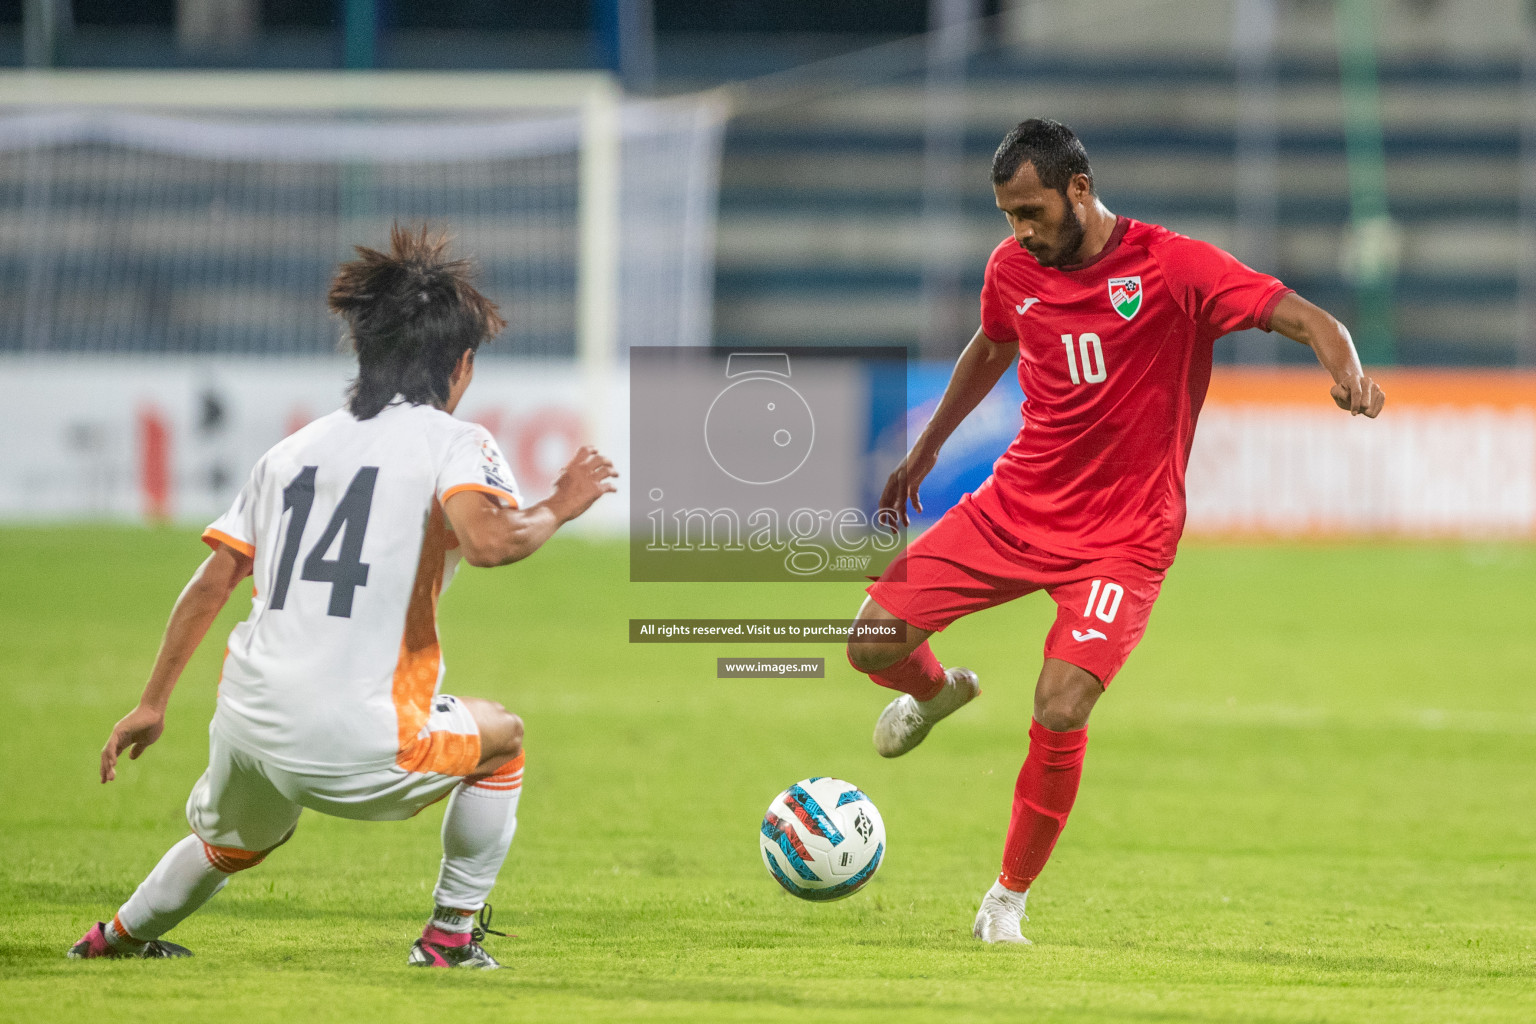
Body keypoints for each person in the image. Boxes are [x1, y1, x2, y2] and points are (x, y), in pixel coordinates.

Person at [845, 119, 1384, 944]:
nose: (1020, 232)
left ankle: (1006, 900)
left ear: (1079, 191)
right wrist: (925, 451)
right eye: (1007, 216)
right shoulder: (1012, 268)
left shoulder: (1172, 267)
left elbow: (1305, 317)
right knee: (871, 644)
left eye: (1031, 212)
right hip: (1017, 506)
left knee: (1060, 705)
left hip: (1123, 538)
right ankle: (933, 692)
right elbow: (991, 347)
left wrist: (1342, 366)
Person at [68, 226, 617, 969]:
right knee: (504, 741)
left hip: (250, 723)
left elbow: (212, 583)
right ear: (460, 365)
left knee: (230, 842)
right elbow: (490, 543)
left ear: (363, 351)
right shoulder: (452, 441)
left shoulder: (293, 450)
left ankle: (114, 940)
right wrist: (560, 503)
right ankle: (449, 939)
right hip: (359, 740)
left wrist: (152, 702)